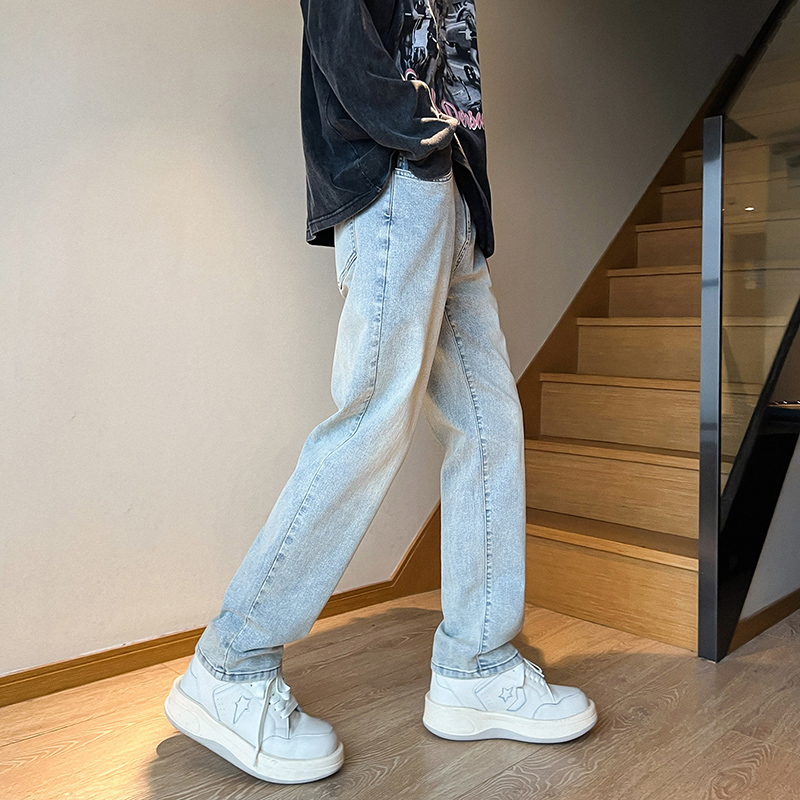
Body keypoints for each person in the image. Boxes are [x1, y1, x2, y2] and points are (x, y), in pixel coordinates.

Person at [163, 0, 597, 784]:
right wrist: (417, 138)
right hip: (401, 180)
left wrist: (454, 171)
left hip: (449, 193)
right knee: (373, 417)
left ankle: (476, 665)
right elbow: (338, 27)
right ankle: (231, 664)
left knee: (489, 424)